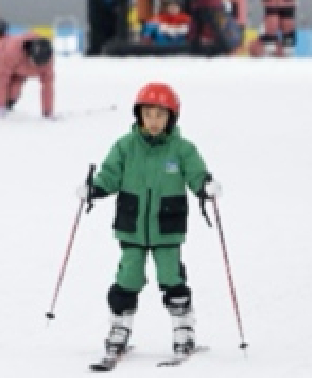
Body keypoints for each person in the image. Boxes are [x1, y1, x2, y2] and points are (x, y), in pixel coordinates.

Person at [77, 82, 221, 359]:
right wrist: (95, 189)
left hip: (167, 226)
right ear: (139, 115)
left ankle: (183, 329)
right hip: (132, 225)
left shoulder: (182, 150)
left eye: (161, 115)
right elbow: (110, 175)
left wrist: (205, 186)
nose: (154, 121)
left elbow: (196, 173)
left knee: (171, 276)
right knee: (128, 277)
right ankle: (120, 327)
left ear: (172, 117)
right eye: (148, 114)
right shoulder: (125, 146)